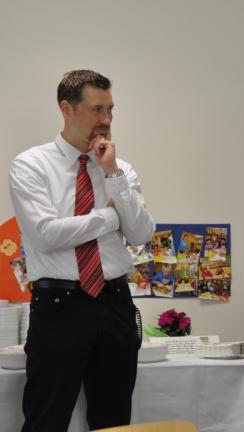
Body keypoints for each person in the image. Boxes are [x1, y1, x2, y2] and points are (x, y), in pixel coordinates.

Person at [9, 70, 156, 432]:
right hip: (59, 307)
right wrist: (109, 218)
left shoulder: (121, 170)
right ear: (66, 109)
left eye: (110, 109)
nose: (106, 120)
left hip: (115, 303)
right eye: (96, 110)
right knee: (46, 420)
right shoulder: (31, 165)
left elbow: (140, 233)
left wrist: (113, 175)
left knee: (114, 421)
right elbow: (46, 235)